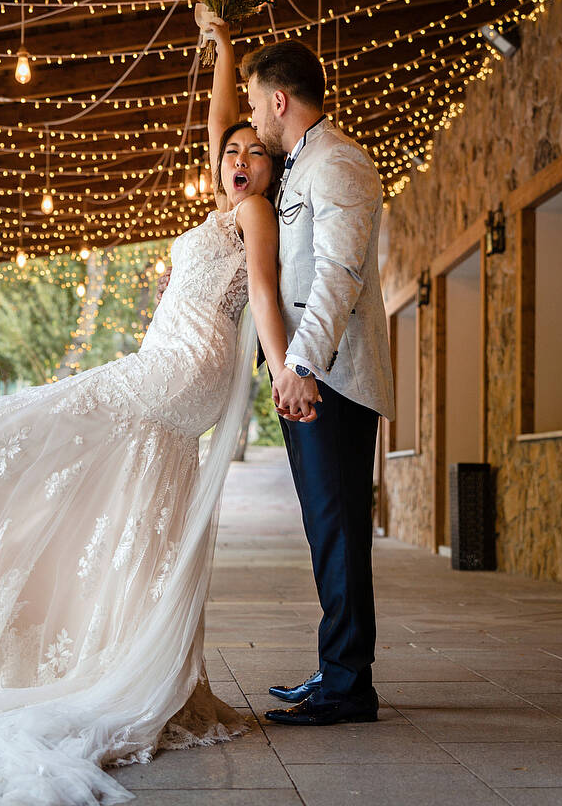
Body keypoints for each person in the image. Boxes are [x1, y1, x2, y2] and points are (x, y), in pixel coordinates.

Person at [0, 9, 290, 806]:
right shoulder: (224, 200)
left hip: (178, 370)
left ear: (270, 174)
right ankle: (127, 654)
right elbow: (220, 118)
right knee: (141, 512)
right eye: (231, 153)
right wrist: (221, 41)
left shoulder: (252, 214)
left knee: (48, 411)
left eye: (254, 155)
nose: (237, 160)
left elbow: (266, 297)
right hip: (173, 374)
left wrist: (281, 375)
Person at [240, 39, 396, 726]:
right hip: (313, 379)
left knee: (336, 532)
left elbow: (340, 275)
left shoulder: (340, 164)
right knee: (325, 531)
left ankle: (348, 686)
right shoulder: (304, 166)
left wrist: (302, 366)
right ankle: (337, 667)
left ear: (279, 100)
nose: (253, 119)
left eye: (254, 103)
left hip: (333, 381)